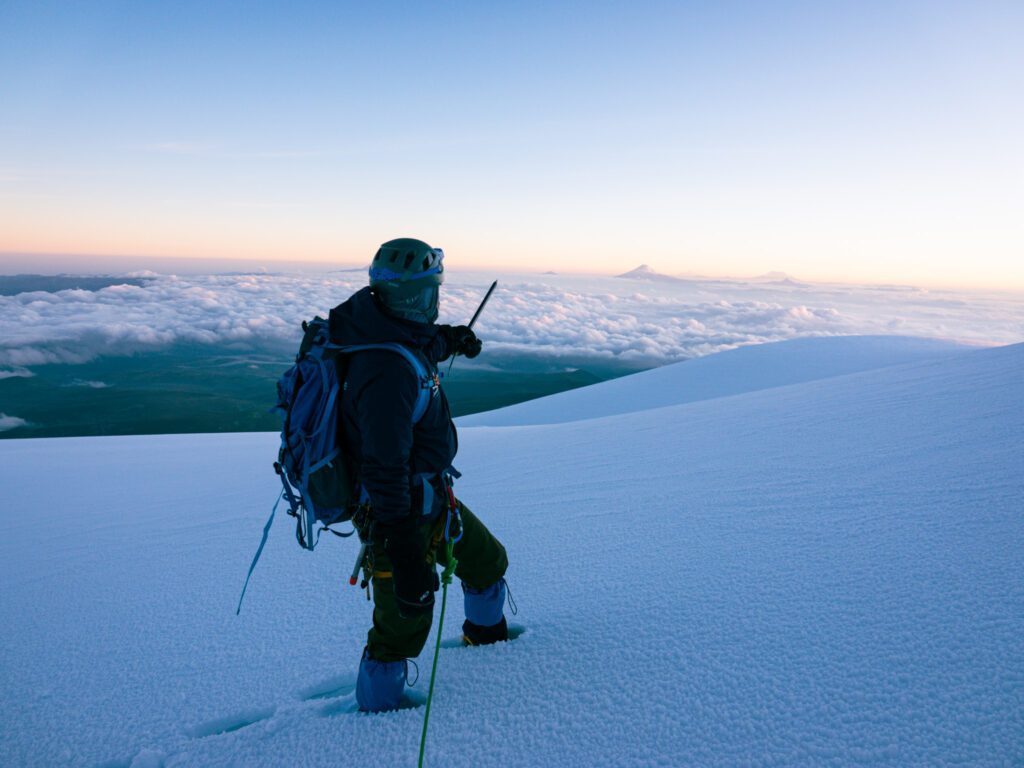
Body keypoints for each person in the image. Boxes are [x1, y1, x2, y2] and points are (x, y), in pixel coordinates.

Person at [328, 238, 510, 713]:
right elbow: (384, 464)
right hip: (400, 513)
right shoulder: (387, 371)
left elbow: (417, 341)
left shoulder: (386, 330)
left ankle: (489, 648)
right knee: (403, 622)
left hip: (431, 498)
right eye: (432, 291)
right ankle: (377, 714)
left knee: (487, 561)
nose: (436, 299)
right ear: (415, 296)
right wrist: (405, 548)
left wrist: (453, 338)